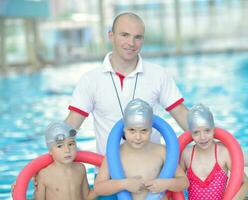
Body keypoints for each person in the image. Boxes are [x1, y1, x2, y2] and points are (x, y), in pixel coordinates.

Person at [65, 11, 189, 157]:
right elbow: (72, 124)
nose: (131, 43)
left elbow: (181, 113)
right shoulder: (90, 80)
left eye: (137, 37)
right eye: (125, 35)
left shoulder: (158, 74)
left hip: (153, 172)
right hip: (109, 173)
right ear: (111, 36)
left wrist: (213, 136)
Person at [94, 99, 189, 200]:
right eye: (132, 130)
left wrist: (166, 183)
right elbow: (98, 188)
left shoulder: (162, 152)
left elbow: (184, 182)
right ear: (124, 129)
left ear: (151, 130)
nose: (138, 137)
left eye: (144, 131)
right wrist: (123, 184)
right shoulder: (114, 154)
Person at [180, 104, 248, 200]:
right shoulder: (186, 155)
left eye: (207, 130)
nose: (202, 137)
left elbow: (245, 183)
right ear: (191, 133)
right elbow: (177, 183)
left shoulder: (223, 153)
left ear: (213, 130)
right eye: (196, 132)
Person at [34, 121, 97, 200]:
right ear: (50, 150)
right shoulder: (44, 175)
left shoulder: (81, 169)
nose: (67, 150)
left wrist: (99, 188)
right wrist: (18, 188)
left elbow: (86, 197)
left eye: (70, 144)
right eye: (60, 146)